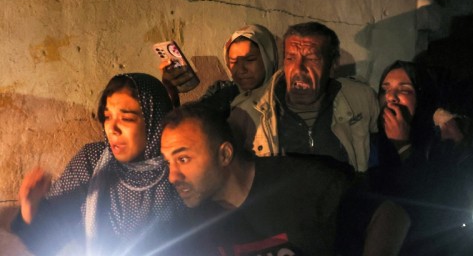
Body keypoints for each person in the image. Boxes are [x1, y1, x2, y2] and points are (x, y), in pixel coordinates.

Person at [10, 73, 185, 255]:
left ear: (154, 120)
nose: (112, 129)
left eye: (127, 119)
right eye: (107, 116)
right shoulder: (93, 161)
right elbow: (50, 235)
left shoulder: (178, 169)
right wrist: (30, 206)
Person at [160, 102, 352, 255]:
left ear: (224, 155)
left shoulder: (305, 185)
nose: (172, 177)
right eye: (168, 163)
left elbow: (374, 216)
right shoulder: (191, 223)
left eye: (183, 159)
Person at [370, 60, 473, 255]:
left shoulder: (443, 142)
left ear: (423, 97)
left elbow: (437, 203)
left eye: (405, 90)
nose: (391, 97)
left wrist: (403, 146)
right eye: (385, 89)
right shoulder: (373, 142)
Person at [244, 22, 379, 172]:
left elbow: (385, 151)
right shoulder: (248, 112)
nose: (299, 68)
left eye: (312, 59)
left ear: (333, 65)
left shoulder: (361, 99)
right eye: (291, 58)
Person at [160, 24, 278, 118]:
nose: (241, 70)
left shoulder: (284, 98)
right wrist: (170, 93)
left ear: (269, 58)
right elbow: (194, 122)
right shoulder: (223, 93)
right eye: (233, 62)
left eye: (250, 60)